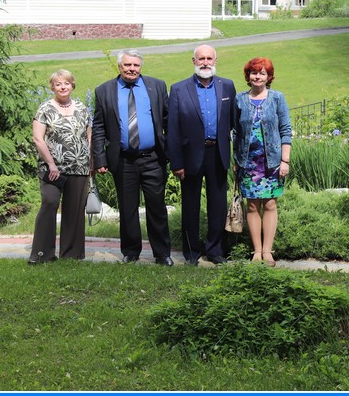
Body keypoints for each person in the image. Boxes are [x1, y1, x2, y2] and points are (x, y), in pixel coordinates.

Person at [92, 50, 174, 266]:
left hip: (153, 158)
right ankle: (130, 251)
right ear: (120, 66)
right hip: (123, 160)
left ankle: (162, 253)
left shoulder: (156, 86)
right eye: (127, 65)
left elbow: (168, 121)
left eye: (136, 65)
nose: (132, 69)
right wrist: (100, 159)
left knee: (157, 207)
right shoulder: (104, 90)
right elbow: (99, 126)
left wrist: (172, 153)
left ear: (141, 66)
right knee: (127, 208)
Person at [167, 45, 237, 266]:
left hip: (218, 153)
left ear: (216, 60)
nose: (205, 62)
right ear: (193, 61)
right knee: (190, 205)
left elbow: (235, 122)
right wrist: (176, 162)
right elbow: (173, 129)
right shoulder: (178, 89)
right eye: (201, 59)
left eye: (209, 58)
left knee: (217, 205)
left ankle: (214, 249)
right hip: (190, 156)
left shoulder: (227, 86)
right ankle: (191, 252)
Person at [233, 57, 292, 267]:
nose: (257, 76)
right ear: (248, 76)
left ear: (269, 77)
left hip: (272, 161)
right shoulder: (239, 100)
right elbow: (235, 132)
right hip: (248, 162)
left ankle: (268, 251)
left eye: (262, 73)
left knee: (270, 204)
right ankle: (256, 250)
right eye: (254, 73)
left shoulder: (277, 98)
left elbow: (285, 130)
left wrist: (285, 160)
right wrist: (235, 160)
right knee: (252, 206)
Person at [28, 70, 92, 264]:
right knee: (50, 202)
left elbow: (88, 136)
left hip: (79, 167)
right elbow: (38, 139)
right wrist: (51, 164)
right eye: (58, 84)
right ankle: (41, 254)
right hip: (52, 169)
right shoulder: (45, 108)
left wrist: (90, 161)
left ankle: (71, 255)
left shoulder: (82, 108)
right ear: (53, 87)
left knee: (74, 210)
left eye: (66, 83)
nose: (63, 87)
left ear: (72, 85)